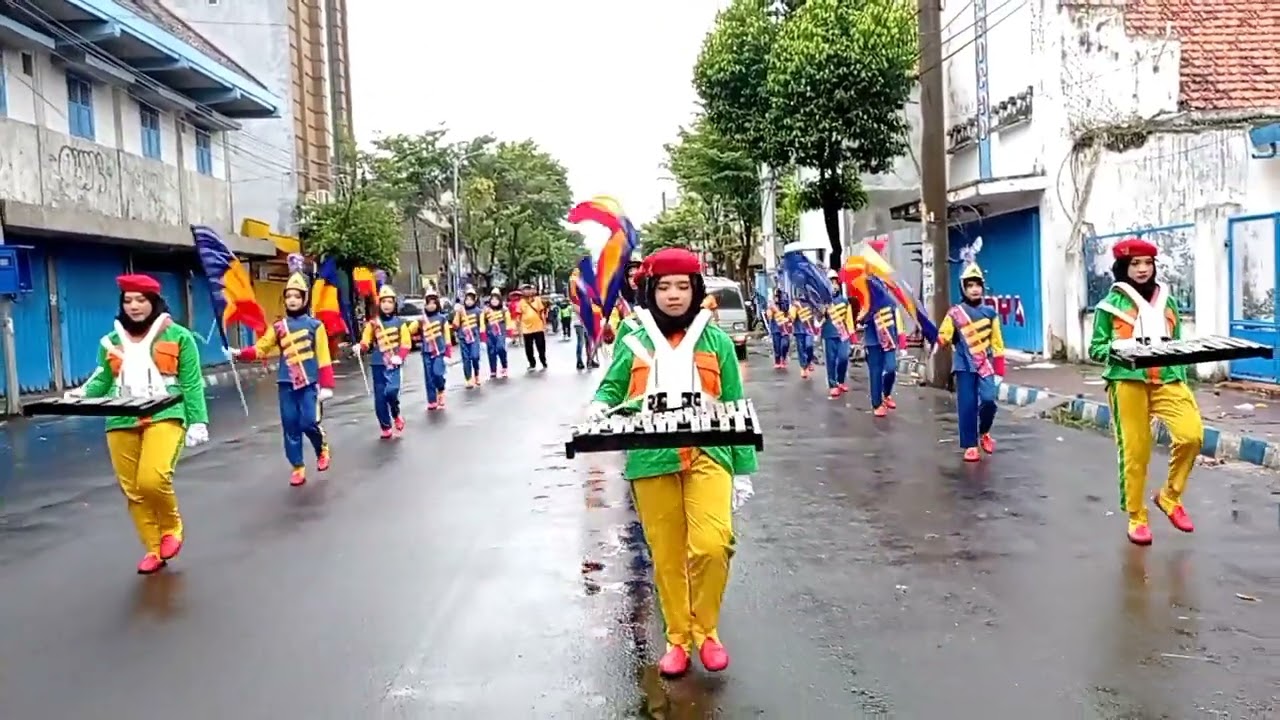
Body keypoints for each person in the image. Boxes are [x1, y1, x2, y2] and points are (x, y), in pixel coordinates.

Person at [587, 247, 757, 678]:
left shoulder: (715, 340)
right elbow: (612, 388)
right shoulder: (634, 337)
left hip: (709, 453)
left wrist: (743, 472)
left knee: (713, 545)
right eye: (664, 287)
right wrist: (597, 406)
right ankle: (678, 639)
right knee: (665, 555)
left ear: (696, 289)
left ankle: (708, 631)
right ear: (650, 290)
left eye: (683, 286)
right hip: (651, 457)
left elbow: (735, 402)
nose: (674, 295)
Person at [67, 274, 210, 574]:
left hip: (166, 412)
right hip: (120, 416)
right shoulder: (112, 340)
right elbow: (102, 378)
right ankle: (153, 548)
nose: (133, 306)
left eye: (141, 300)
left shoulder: (179, 337)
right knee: (133, 489)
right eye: (128, 300)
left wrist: (198, 421)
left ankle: (171, 527)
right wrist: (81, 393)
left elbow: (192, 382)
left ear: (154, 302)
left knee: (152, 478)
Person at [1088, 237, 1200, 545]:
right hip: (1128, 381)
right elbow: (1096, 349)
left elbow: (1175, 342)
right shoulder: (1109, 305)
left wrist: (1182, 374)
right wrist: (1120, 348)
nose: (1142, 269)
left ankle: (1169, 496)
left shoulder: (1169, 300)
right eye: (1134, 264)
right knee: (1136, 452)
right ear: (1123, 267)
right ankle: (1137, 515)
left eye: (1147, 263)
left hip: (1168, 379)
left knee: (1192, 436)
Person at [228, 269, 334, 486]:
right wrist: (240, 353)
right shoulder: (278, 327)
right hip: (286, 383)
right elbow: (261, 348)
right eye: (288, 296)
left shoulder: (316, 326)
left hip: (309, 383)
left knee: (308, 422)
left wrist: (326, 385)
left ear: (304, 299)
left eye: (297, 296)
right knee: (290, 424)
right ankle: (297, 466)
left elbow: (323, 356)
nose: (292, 300)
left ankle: (321, 447)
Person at [935, 262, 1005, 463]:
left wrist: (999, 369)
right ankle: (970, 444)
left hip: (984, 365)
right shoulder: (954, 313)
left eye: (977, 285)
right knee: (967, 405)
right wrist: (940, 339)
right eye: (970, 285)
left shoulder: (990, 313)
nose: (974, 289)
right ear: (963, 289)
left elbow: (997, 343)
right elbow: (944, 335)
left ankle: (984, 432)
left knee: (989, 400)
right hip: (964, 366)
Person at [355, 282, 410, 438]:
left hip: (393, 363)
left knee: (391, 392)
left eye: (390, 302)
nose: (386, 305)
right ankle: (385, 426)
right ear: (380, 303)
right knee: (380, 398)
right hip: (378, 363)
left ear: (394, 304)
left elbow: (406, 343)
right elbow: (366, 341)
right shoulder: (373, 324)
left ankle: (396, 414)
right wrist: (360, 347)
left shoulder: (400, 323)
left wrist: (400, 356)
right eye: (384, 301)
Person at [860, 276, 907, 416]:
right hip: (872, 342)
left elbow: (899, 325)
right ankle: (877, 403)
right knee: (875, 372)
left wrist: (903, 344)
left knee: (891, 368)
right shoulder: (866, 306)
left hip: (889, 342)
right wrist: (865, 314)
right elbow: (859, 321)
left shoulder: (891, 304)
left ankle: (886, 394)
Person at [412, 288, 453, 410]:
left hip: (439, 351)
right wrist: (417, 323)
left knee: (438, 374)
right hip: (426, 352)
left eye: (433, 303)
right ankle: (432, 400)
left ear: (437, 304)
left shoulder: (442, 318)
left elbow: (447, 335)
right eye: (428, 303)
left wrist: (448, 353)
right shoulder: (422, 319)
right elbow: (411, 331)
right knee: (429, 377)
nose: (430, 306)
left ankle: (441, 390)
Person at [820, 268, 855, 398]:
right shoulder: (823, 302)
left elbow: (849, 319)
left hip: (843, 334)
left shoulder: (844, 301)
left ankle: (840, 380)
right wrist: (823, 310)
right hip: (829, 334)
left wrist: (853, 336)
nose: (834, 285)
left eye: (835, 283)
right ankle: (833, 385)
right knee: (831, 360)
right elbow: (818, 318)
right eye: (831, 283)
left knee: (843, 357)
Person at [453, 287, 485, 388]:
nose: (469, 301)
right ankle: (468, 378)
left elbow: (482, 325)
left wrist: (483, 337)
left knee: (475, 357)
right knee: (466, 359)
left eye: (471, 299)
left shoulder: (479, 311)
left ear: (475, 300)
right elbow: (455, 325)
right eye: (467, 299)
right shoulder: (460, 311)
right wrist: (457, 313)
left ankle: (476, 374)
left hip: (474, 337)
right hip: (463, 338)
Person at [481, 288, 512, 379]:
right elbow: (482, 323)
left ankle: (504, 366)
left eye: (496, 299)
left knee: (500, 348)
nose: (494, 301)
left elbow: (508, 322)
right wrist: (483, 337)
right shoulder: (486, 311)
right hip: (490, 334)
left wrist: (509, 335)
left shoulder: (504, 310)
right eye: (492, 299)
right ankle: (493, 370)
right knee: (491, 352)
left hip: (501, 333)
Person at [518, 283, 548, 370]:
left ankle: (543, 361)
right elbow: (519, 316)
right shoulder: (521, 303)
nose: (527, 291)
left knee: (541, 346)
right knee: (528, 348)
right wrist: (518, 329)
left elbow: (542, 312)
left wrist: (544, 325)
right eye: (525, 290)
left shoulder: (537, 300)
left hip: (538, 327)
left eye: (528, 289)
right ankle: (532, 363)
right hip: (526, 329)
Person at [789, 297, 819, 379]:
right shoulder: (795, 304)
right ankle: (803, 367)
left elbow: (816, 314)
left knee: (809, 346)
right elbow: (792, 317)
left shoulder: (812, 302)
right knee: (801, 349)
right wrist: (795, 307)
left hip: (809, 329)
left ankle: (809, 362)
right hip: (799, 330)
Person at [766, 287, 792, 369]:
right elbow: (769, 316)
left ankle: (783, 358)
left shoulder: (786, 305)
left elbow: (790, 315)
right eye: (776, 296)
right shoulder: (771, 306)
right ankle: (777, 360)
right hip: (776, 328)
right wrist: (771, 308)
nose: (777, 298)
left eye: (779, 296)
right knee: (777, 346)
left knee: (784, 345)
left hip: (785, 328)